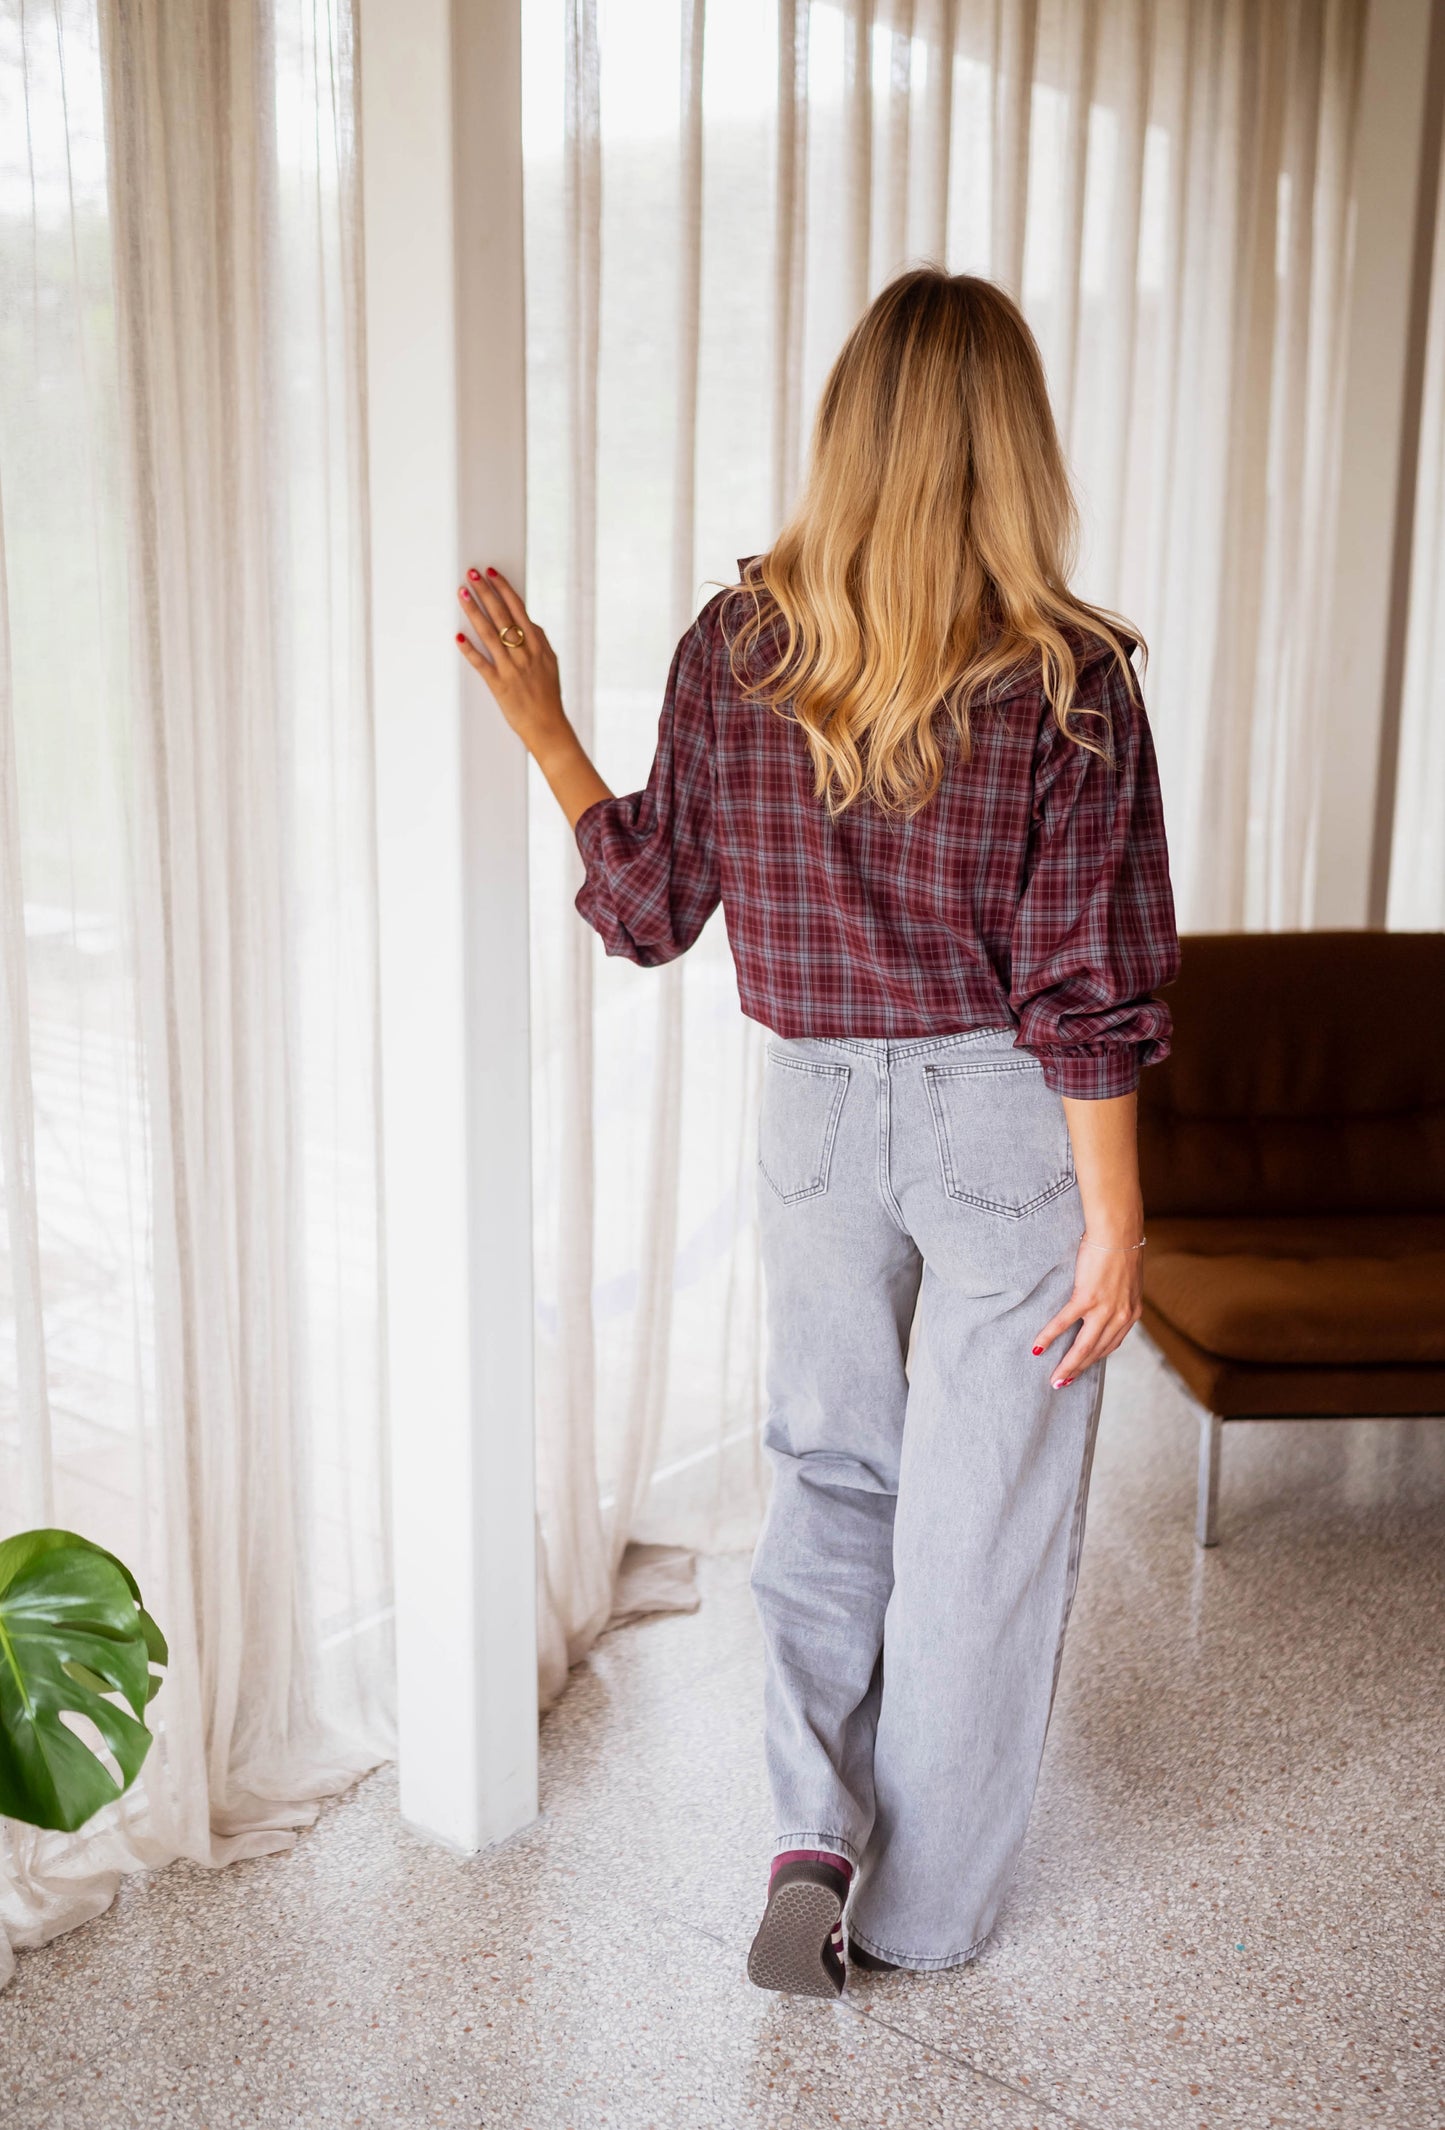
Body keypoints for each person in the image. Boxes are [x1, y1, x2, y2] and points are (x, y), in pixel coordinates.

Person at [453, 268, 1179, 1993]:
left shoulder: (738, 645)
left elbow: (648, 906)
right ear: (1015, 447)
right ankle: (920, 1921)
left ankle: (807, 1833)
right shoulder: (1069, 681)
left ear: (844, 432)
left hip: (811, 1112)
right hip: (1003, 1111)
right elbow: (1086, 984)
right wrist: (1119, 1219)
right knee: (981, 1511)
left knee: (830, 1470)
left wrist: (546, 728)